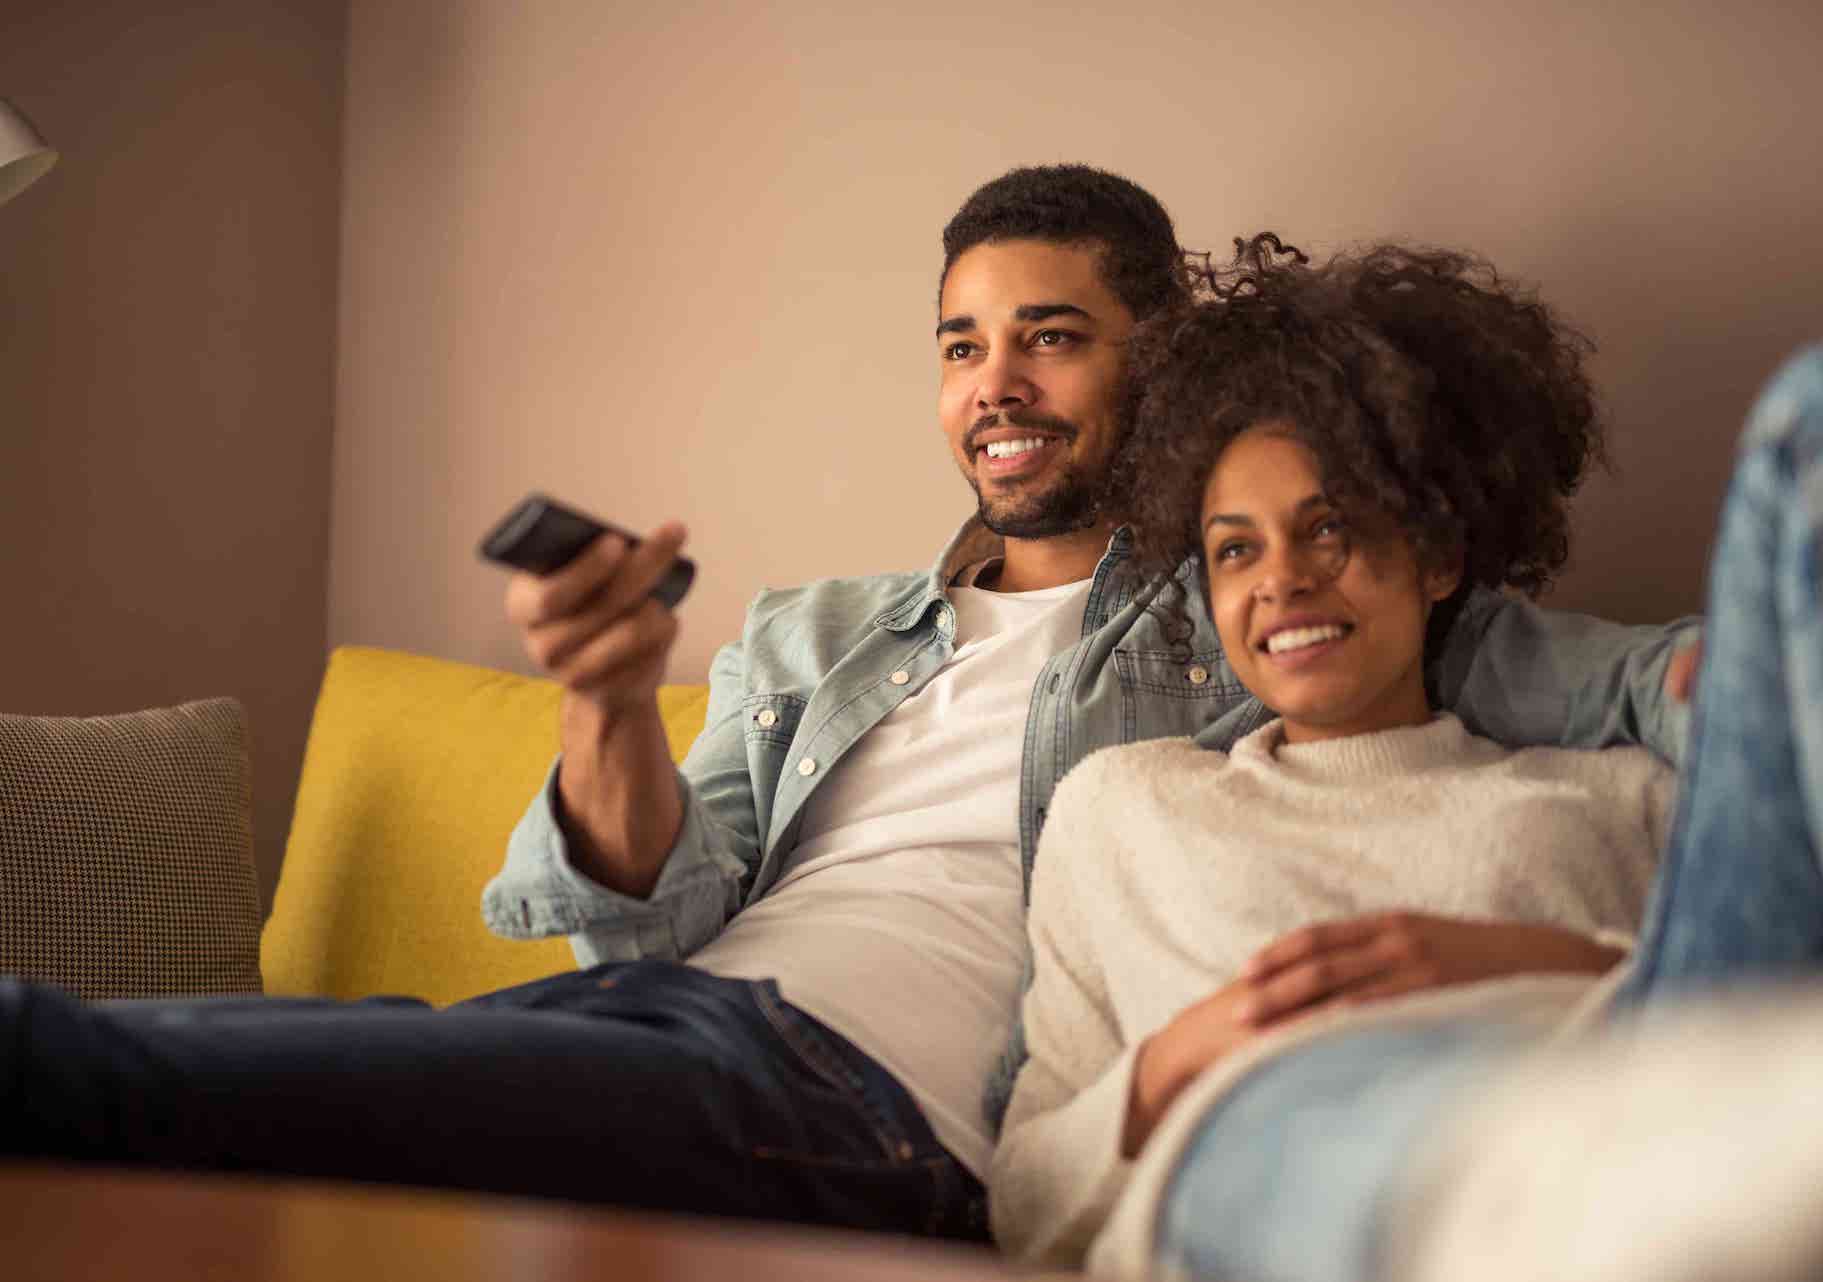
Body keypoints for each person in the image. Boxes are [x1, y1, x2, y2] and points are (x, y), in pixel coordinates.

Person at [0, 167, 1693, 1238]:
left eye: (1050, 336)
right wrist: (602, 701)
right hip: (669, 1034)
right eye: (959, 346)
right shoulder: (816, 636)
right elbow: (641, 914)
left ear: (1159, 359)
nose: (995, 386)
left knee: (91, 1069)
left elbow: (1639, 686)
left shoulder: (1263, 601)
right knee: (208, 1085)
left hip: (874, 1109)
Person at [988, 236, 1823, 1281]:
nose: (1281, 580)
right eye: (1236, 549)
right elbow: (1023, 1199)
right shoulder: (1122, 809)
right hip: (1292, 1119)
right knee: (1341, 1115)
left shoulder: (1617, 792)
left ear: (1435, 556)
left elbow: (1708, 998)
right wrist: (1174, 1060)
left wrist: (1524, 958)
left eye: (1328, 527)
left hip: (1639, 1068)